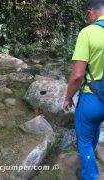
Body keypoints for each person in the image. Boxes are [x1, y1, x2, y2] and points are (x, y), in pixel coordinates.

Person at [63, 0, 104, 179]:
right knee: (94, 129)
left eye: (87, 15)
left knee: (84, 140)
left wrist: (67, 97)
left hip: (93, 98)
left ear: (91, 12)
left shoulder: (88, 32)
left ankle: (91, 175)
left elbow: (78, 75)